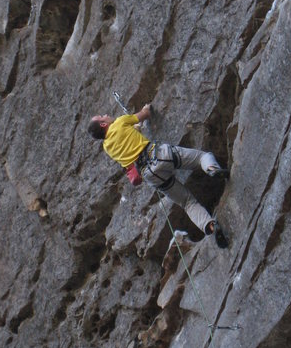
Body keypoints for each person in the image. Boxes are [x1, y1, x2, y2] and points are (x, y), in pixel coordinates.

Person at [88, 104, 229, 248]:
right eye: (102, 116)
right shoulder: (120, 122)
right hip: (159, 154)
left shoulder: (107, 148)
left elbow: (126, 148)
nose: (105, 114)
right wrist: (146, 108)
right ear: (103, 123)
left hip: (150, 174)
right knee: (202, 157)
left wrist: (134, 129)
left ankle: (210, 226)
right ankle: (212, 169)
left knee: (187, 202)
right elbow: (145, 114)